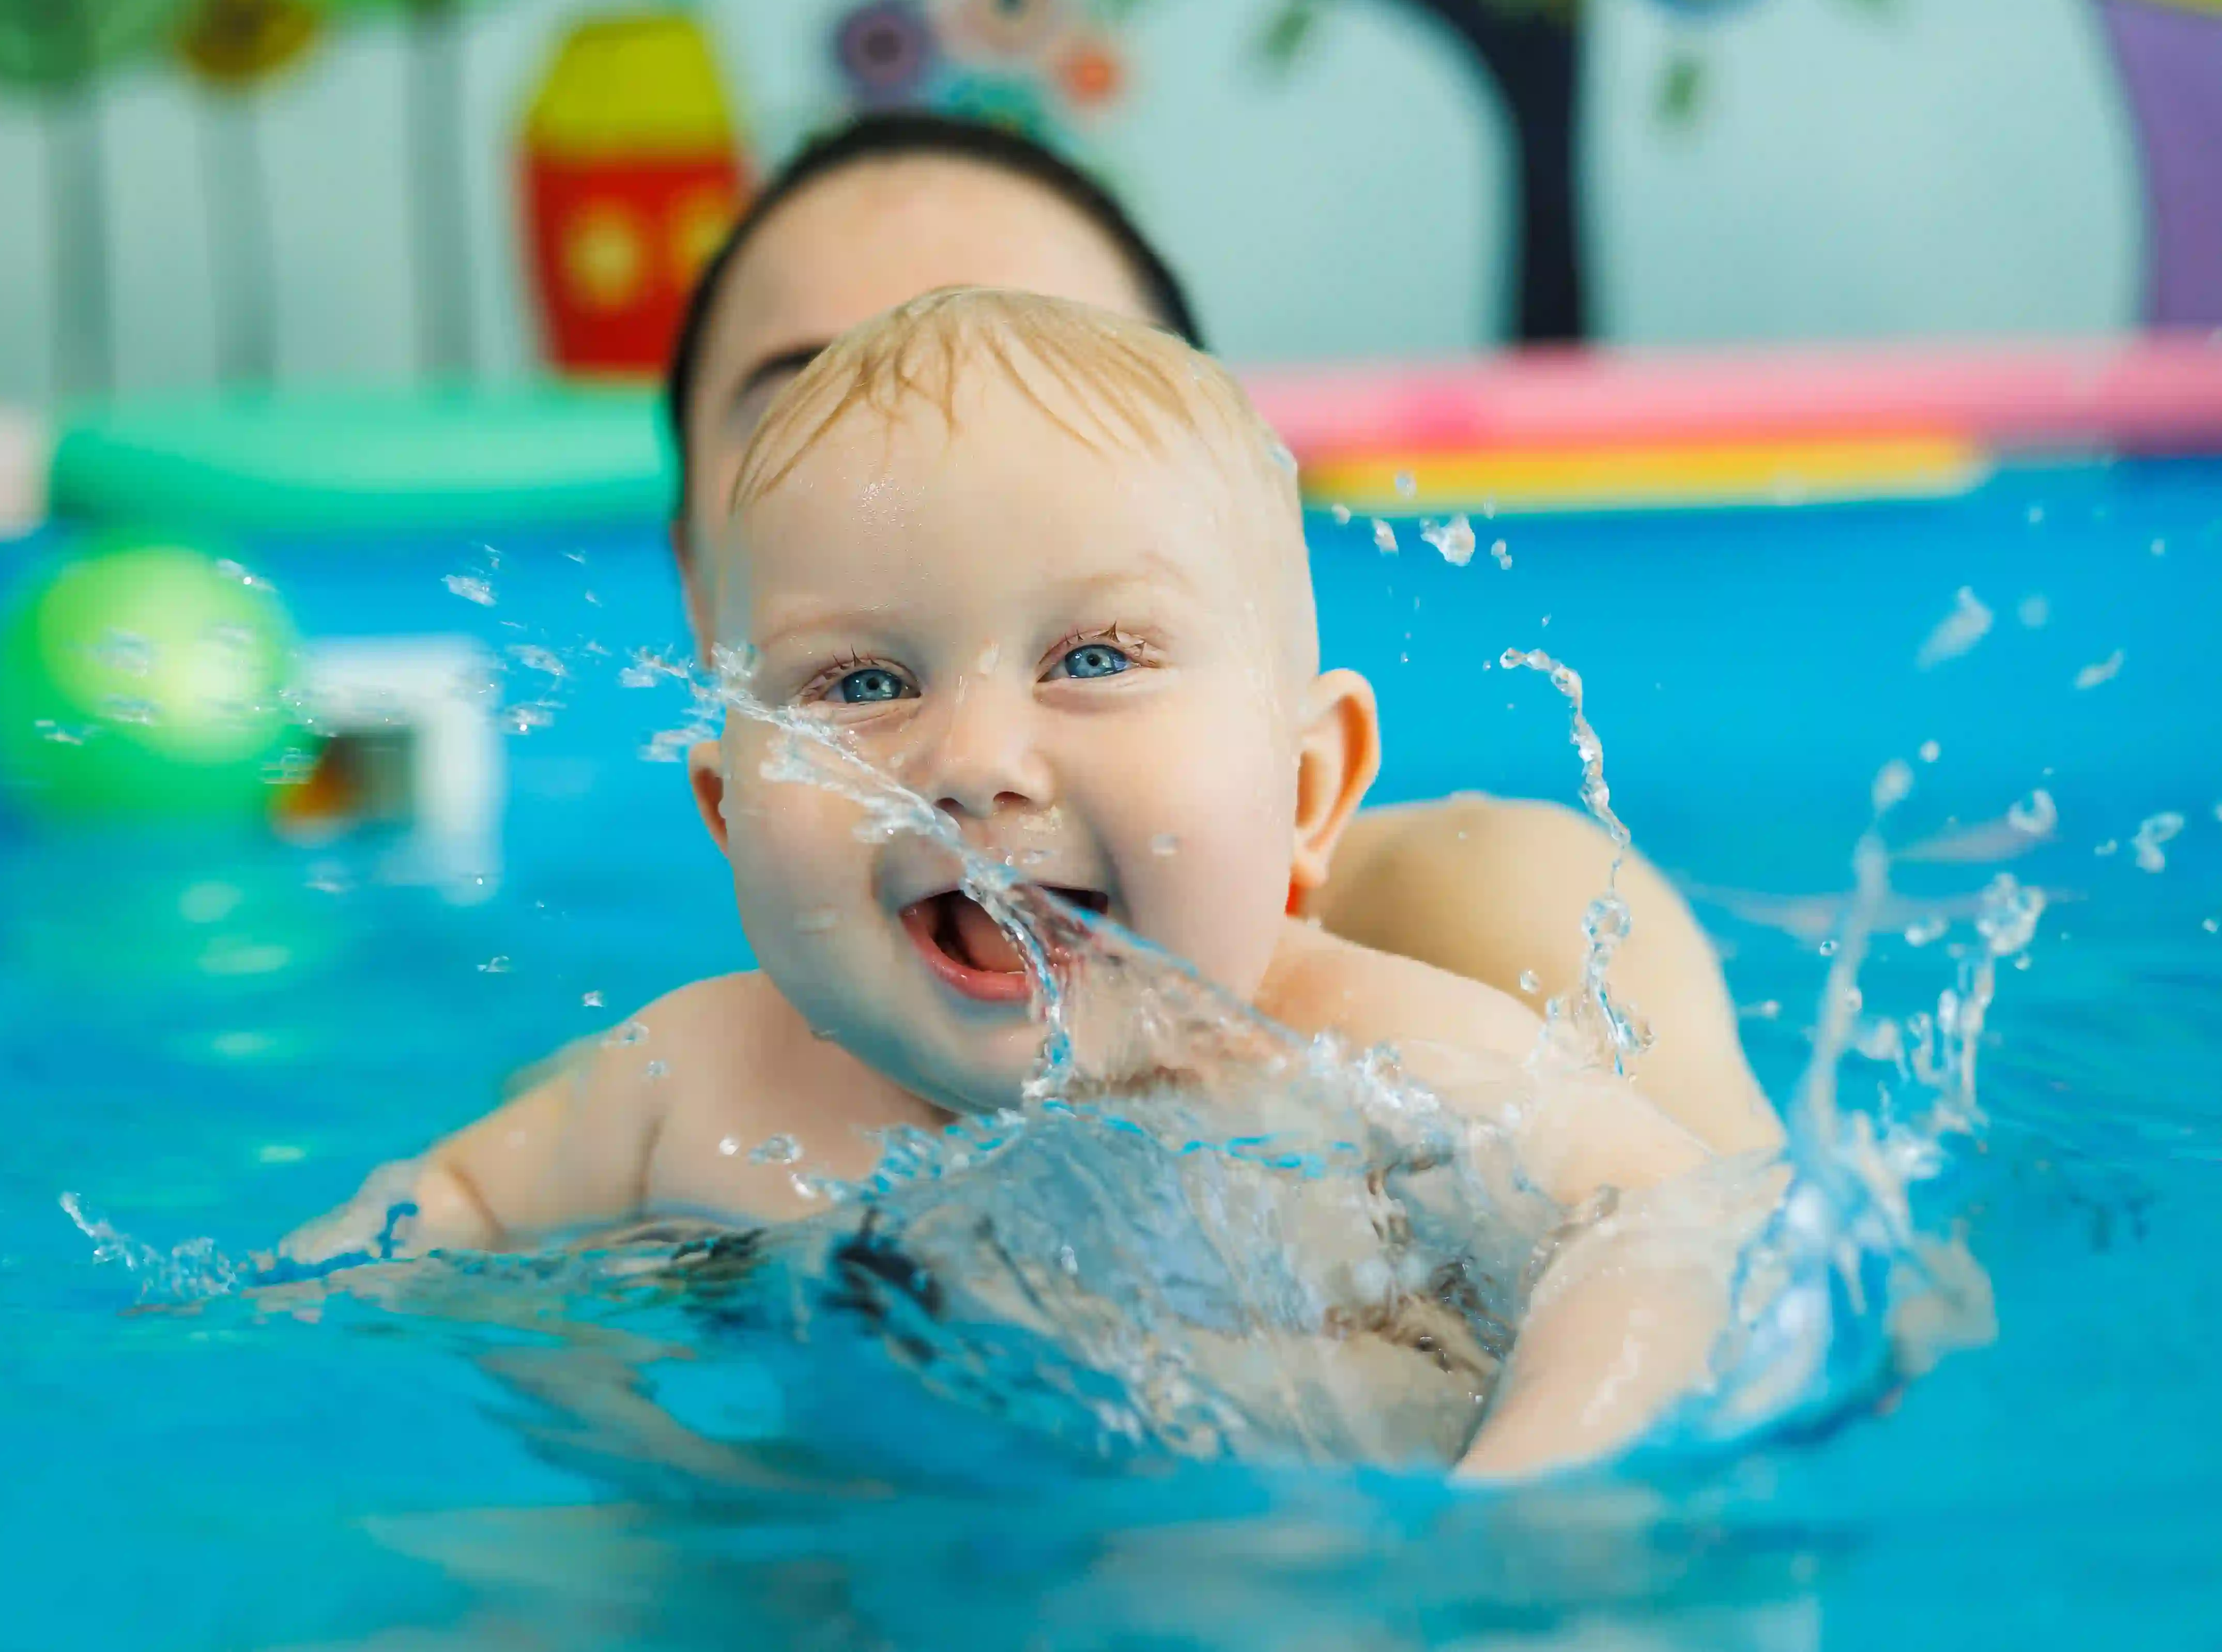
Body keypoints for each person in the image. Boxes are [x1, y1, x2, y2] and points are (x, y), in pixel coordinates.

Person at [283, 289, 1748, 1478]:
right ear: (730, 819)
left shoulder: (1379, 1066)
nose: (975, 761)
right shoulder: (693, 1076)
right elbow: (453, 1198)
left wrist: (1528, 1505)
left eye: (1094, 659)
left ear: (1304, 790)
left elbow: (1666, 1223)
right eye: (861, 680)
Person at [663, 113, 1780, 1159]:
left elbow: (1722, 1293)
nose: (923, 474)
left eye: (1053, 388)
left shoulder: (1481, 927)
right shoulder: (684, 1096)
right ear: (692, 572)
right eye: (806, 406)